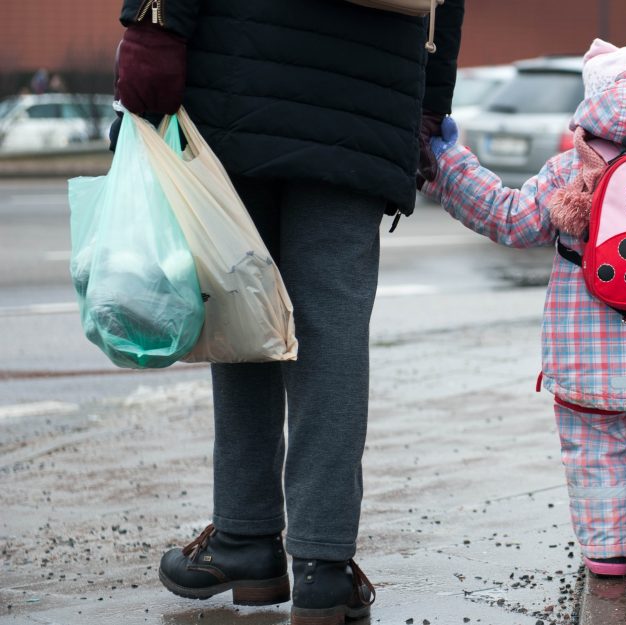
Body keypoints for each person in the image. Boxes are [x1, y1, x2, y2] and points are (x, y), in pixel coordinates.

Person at [109, 0, 463, 621]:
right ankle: (323, 566)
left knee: (241, 304)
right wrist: (430, 98)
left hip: (243, 66)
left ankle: (246, 538)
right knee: (333, 330)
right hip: (371, 81)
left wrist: (155, 22)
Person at [422, 36, 626, 583]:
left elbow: (509, 219)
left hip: (585, 365)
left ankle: (605, 557)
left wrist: (448, 162)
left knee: (592, 454)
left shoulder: (568, 171)